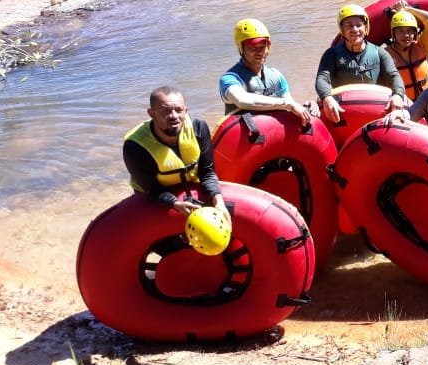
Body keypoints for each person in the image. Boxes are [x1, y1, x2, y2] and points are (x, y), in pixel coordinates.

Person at [123, 86, 230, 223]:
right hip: (155, 193)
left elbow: (207, 171)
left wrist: (218, 200)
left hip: (191, 185)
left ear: (186, 110)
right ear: (151, 113)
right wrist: (174, 203)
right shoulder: (135, 146)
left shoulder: (198, 128)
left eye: (178, 110)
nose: (174, 116)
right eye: (165, 111)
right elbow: (152, 189)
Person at [314, 3, 406, 123]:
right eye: (349, 26)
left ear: (366, 28)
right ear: (342, 30)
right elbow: (322, 78)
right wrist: (327, 97)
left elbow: (394, 76)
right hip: (345, 111)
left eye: (359, 25)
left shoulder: (379, 53)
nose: (355, 30)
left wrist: (398, 95)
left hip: (375, 109)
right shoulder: (332, 54)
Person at [219, 18, 313, 124]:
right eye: (252, 48)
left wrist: (306, 107)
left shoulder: (276, 76)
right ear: (240, 48)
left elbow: (291, 105)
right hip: (248, 136)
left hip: (272, 133)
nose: (260, 52)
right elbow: (242, 100)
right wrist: (287, 103)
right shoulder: (230, 78)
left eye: (263, 46)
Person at [382, 0, 428, 101]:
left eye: (410, 31)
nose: (406, 35)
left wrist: (407, 9)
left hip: (426, 104)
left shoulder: (423, 47)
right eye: (401, 31)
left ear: (415, 33)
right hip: (402, 106)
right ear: (393, 33)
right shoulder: (384, 54)